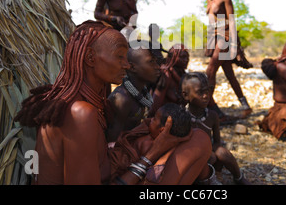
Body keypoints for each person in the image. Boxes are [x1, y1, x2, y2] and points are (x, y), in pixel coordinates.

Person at [14, 20, 211, 185]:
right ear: (91, 57)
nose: (126, 64)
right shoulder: (81, 113)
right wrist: (151, 155)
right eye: (119, 57)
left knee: (196, 137)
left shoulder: (88, 102)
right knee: (199, 141)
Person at [181, 72, 252, 184]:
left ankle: (238, 177)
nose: (205, 96)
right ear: (185, 95)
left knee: (222, 153)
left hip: (209, 157)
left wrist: (210, 152)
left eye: (207, 91)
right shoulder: (182, 117)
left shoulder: (212, 116)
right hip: (190, 159)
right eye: (200, 92)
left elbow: (217, 142)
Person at [202, 0, 253, 123]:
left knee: (210, 72)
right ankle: (246, 106)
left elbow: (231, 20)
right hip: (214, 37)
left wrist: (235, 46)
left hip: (224, 37)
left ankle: (210, 107)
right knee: (229, 74)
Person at [106, 41, 161, 142]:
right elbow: (112, 144)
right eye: (151, 62)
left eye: (156, 62)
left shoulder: (140, 93)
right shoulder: (122, 99)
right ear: (132, 67)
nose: (157, 67)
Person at [148, 44, 190, 117]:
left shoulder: (182, 75)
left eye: (187, 57)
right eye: (182, 57)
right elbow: (154, 107)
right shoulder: (166, 75)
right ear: (173, 58)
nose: (186, 60)